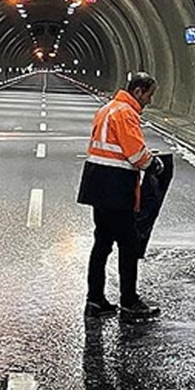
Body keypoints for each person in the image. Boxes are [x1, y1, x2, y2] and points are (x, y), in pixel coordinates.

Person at [77, 72, 164, 319]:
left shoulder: (106, 109)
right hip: (116, 185)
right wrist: (154, 164)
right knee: (129, 244)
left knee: (102, 244)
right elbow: (135, 154)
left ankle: (95, 300)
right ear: (138, 91)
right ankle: (129, 301)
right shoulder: (126, 113)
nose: (149, 100)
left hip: (97, 181)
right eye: (149, 95)